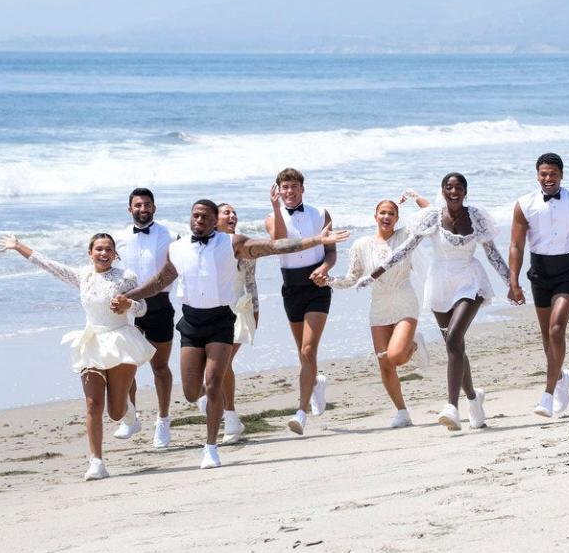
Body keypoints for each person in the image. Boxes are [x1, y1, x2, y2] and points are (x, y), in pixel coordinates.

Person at [119, 200, 349, 468]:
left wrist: (315, 241)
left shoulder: (232, 243)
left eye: (205, 216)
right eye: (196, 215)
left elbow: (275, 247)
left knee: (215, 382)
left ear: (214, 219)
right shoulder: (177, 248)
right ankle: (215, 420)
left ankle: (211, 447)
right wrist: (127, 296)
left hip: (221, 321)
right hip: (191, 323)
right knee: (193, 393)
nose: (199, 220)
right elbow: (159, 282)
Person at [357, 173, 512, 431]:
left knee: (453, 339)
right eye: (449, 187)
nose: (454, 191)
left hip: (469, 280)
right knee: (456, 347)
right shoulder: (432, 217)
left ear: (465, 191)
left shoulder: (476, 217)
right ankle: (473, 398)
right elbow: (405, 248)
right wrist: (375, 273)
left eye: (458, 187)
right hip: (440, 284)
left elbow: (493, 254)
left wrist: (512, 283)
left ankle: (452, 407)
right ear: (442, 191)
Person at [0, 233, 155, 481]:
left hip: (119, 340)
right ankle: (97, 462)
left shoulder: (126, 277)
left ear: (115, 254)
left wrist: (128, 304)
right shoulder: (83, 276)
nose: (104, 254)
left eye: (109, 250)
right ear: (90, 252)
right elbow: (48, 264)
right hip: (92, 341)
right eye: (99, 249)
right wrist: (18, 246)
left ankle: (128, 409)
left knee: (115, 413)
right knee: (93, 403)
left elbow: (143, 306)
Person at [322, 192, 431, 428]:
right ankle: (402, 411)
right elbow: (352, 278)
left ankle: (413, 345)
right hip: (379, 306)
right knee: (385, 363)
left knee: (396, 356)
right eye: (382, 212)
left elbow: (431, 215)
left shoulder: (406, 236)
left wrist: (413, 195)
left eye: (391, 213)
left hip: (404, 299)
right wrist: (328, 280)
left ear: (397, 217)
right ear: (375, 216)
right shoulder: (362, 245)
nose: (387, 216)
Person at [508, 153, 569, 417]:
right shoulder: (524, 204)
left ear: (562, 174)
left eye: (553, 174)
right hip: (539, 273)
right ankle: (561, 378)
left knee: (557, 329)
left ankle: (547, 395)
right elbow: (516, 244)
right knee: (547, 335)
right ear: (537, 175)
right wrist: (513, 281)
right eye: (543, 174)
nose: (548, 179)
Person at [265, 169, 337, 435]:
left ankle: (301, 412)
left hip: (317, 286)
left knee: (308, 350)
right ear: (278, 190)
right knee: (304, 353)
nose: (289, 191)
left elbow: (331, 253)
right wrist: (275, 207)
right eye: (284, 187)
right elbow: (280, 244)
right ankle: (316, 381)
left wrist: (325, 269)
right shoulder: (272, 218)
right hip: (291, 288)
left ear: (302, 189)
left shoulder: (321, 213)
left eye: (294, 186)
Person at [116, 188, 177, 448]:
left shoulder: (171, 235)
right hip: (127, 308)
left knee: (159, 367)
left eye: (147, 205)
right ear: (130, 209)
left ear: (155, 207)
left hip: (160, 306)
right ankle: (131, 417)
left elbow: (180, 267)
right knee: (126, 366)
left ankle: (163, 420)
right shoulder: (117, 239)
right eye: (138, 205)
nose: (143, 209)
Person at [195, 203, 258, 443]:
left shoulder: (243, 245)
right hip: (208, 311)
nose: (232, 216)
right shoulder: (202, 245)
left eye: (234, 212)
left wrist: (255, 313)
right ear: (214, 220)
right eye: (226, 213)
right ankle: (212, 399)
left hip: (238, 310)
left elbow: (251, 282)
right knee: (214, 365)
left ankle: (230, 416)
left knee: (224, 362)